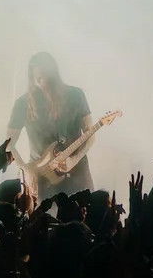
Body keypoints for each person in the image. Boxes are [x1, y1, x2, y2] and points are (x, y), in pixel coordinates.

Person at [5, 52, 96, 199]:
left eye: (46, 77)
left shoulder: (76, 95)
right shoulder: (23, 104)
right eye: (38, 78)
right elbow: (8, 144)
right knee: (46, 214)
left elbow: (90, 135)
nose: (43, 82)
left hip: (78, 175)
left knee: (85, 213)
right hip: (43, 178)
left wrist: (74, 159)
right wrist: (26, 169)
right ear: (32, 77)